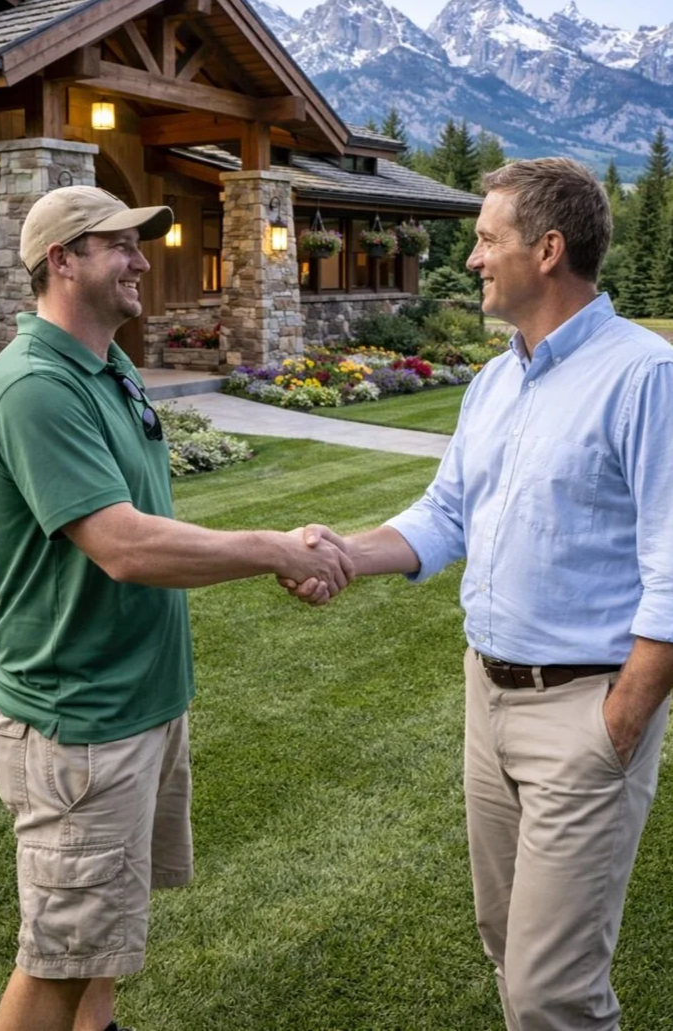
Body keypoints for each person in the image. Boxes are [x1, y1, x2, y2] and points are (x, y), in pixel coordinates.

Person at [281, 157, 673, 1030]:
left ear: (546, 249)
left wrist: (621, 717)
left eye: (485, 240)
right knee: (504, 943)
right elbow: (446, 512)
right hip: (484, 698)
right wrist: (343, 554)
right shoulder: (496, 380)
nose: (470, 260)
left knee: (551, 990)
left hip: (582, 709)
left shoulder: (645, 375)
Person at [0, 185, 353, 1031]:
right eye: (119, 245)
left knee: (100, 942)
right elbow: (125, 545)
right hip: (80, 720)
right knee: (56, 955)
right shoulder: (35, 386)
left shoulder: (109, 365)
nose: (142, 260)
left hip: (138, 706)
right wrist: (271, 547)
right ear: (61, 260)